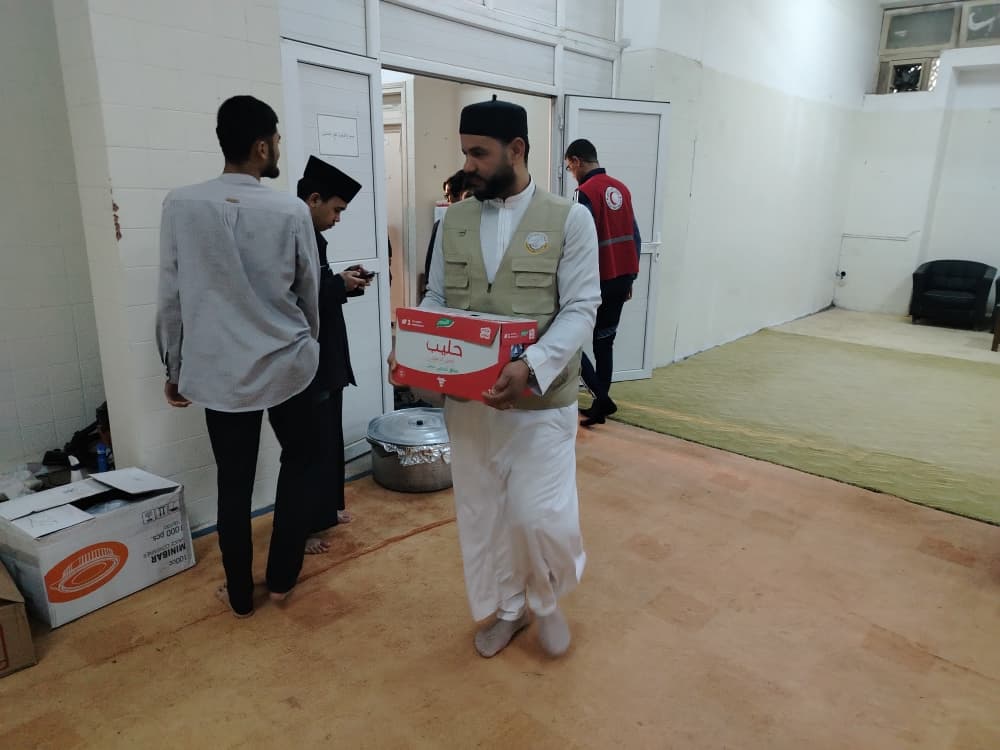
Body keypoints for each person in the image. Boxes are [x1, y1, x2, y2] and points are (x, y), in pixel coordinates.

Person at [391, 96, 600, 658]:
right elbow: (436, 299)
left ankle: (546, 599)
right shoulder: (454, 220)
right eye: (465, 152)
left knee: (536, 516)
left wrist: (531, 366)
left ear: (517, 149)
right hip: (470, 404)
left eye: (479, 153)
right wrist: (413, 351)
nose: (468, 165)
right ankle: (509, 610)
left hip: (540, 402)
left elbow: (582, 307)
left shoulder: (570, 219)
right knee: (484, 513)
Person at [156, 95, 322, 618]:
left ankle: (241, 596)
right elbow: (309, 290)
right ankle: (283, 579)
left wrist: (174, 367)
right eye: (277, 139)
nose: (279, 148)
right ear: (261, 146)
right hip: (287, 363)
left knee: (234, 480)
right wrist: (311, 344)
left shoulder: (180, 205)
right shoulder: (291, 210)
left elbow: (170, 296)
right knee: (300, 462)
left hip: (218, 371)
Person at [296, 156, 371, 554]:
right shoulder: (292, 237)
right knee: (312, 444)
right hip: (309, 358)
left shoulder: (313, 237)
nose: (338, 219)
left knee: (330, 436)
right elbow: (296, 297)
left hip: (328, 353)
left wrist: (345, 282)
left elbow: (318, 287)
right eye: (336, 210)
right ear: (313, 199)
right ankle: (306, 526)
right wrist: (338, 283)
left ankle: (327, 509)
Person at [564, 138, 642, 427]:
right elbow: (635, 236)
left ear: (577, 161)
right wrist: (630, 277)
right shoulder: (621, 188)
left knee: (570, 340)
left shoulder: (584, 193)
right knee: (604, 342)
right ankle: (600, 406)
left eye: (570, 167)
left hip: (596, 281)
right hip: (621, 279)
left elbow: (577, 242)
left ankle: (601, 398)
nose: (571, 172)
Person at [421, 170, 470, 297]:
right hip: (451, 294)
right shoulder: (442, 224)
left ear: (460, 194)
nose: (448, 200)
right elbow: (431, 265)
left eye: (448, 195)